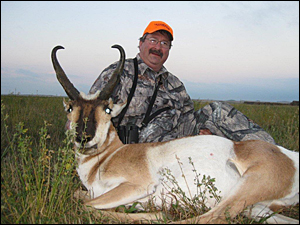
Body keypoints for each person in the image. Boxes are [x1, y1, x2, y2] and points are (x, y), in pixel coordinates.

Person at [89, 21, 275, 145]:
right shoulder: (119, 72)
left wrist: (203, 132)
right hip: (137, 146)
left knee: (219, 110)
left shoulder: (174, 83)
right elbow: (89, 111)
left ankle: (273, 153)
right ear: (141, 43)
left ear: (169, 49)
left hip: (177, 138)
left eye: (164, 43)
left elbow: (188, 117)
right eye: (153, 40)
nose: (158, 47)